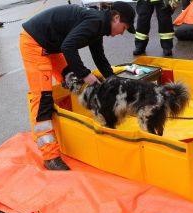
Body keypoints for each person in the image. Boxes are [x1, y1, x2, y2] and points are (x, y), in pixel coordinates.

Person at [19, 2, 136, 170]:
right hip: (35, 44)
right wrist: (85, 73)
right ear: (116, 18)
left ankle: (94, 124)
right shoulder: (95, 21)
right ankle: (50, 156)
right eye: (124, 28)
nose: (121, 33)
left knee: (75, 82)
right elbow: (68, 46)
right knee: (43, 98)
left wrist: (115, 82)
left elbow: (99, 57)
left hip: (51, 45)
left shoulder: (100, 25)